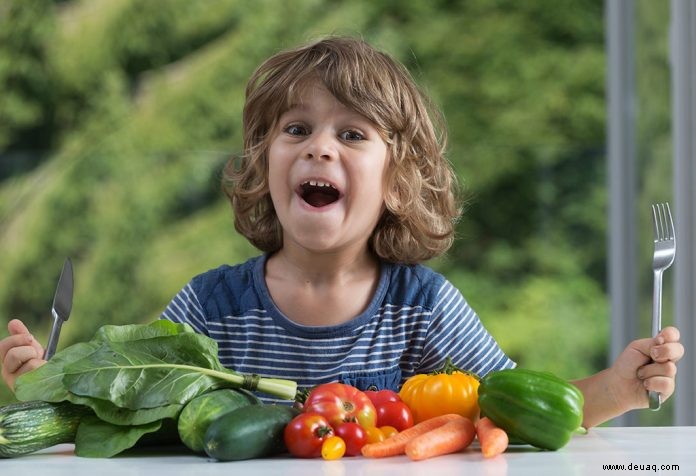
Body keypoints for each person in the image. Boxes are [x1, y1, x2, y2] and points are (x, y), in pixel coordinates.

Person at [0, 37, 684, 429]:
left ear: (395, 181)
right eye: (296, 130)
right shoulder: (211, 307)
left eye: (351, 134)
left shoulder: (423, 308)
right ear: (266, 163)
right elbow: (132, 402)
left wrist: (618, 388)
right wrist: (48, 387)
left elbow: (517, 409)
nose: (318, 148)